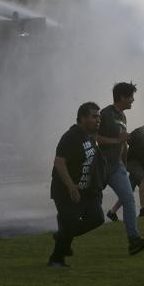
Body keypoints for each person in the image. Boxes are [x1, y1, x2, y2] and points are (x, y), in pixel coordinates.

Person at [48, 102, 105, 267]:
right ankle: (56, 259)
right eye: (94, 116)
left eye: (99, 117)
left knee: (97, 219)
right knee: (71, 223)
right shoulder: (71, 137)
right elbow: (59, 162)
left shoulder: (89, 136)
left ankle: (62, 236)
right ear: (82, 118)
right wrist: (70, 185)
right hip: (65, 190)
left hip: (87, 191)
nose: (98, 120)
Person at [98, 82, 144, 255]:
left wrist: (125, 162)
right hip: (101, 166)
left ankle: (133, 240)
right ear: (122, 97)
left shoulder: (123, 116)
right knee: (87, 205)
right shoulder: (105, 114)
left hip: (117, 167)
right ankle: (64, 236)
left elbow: (123, 142)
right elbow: (95, 137)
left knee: (129, 200)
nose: (133, 101)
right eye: (131, 97)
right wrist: (117, 140)